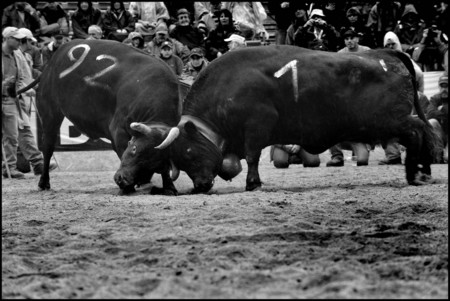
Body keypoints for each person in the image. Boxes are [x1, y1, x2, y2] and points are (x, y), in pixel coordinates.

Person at [2, 27, 57, 178]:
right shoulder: (12, 55)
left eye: (22, 40)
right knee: (13, 134)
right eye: (18, 39)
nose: (22, 42)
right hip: (7, 98)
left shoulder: (17, 55)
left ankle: (35, 163)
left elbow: (20, 77)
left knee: (22, 130)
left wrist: (26, 89)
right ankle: (12, 166)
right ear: (8, 38)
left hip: (16, 98)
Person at [325, 29, 372, 167]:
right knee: (331, 123)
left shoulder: (367, 51)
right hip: (345, 94)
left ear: (358, 38)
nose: (349, 41)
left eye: (352, 37)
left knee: (362, 161)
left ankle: (363, 149)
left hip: (364, 93)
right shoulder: (340, 54)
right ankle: (337, 156)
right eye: (346, 39)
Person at [379, 30, 425, 165]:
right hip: (389, 99)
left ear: (397, 43)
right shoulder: (382, 60)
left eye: (392, 44)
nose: (390, 47)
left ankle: (415, 156)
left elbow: (419, 75)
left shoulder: (405, 57)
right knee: (384, 122)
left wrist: (418, 94)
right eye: (387, 45)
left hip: (409, 98)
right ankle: (393, 155)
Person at [426, 73, 448, 163]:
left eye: (446, 86)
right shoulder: (435, 98)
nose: (444, 89)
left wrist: (442, 108)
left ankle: (444, 155)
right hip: (441, 133)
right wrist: (445, 113)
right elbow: (430, 114)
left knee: (448, 158)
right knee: (432, 122)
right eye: (442, 86)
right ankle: (438, 152)